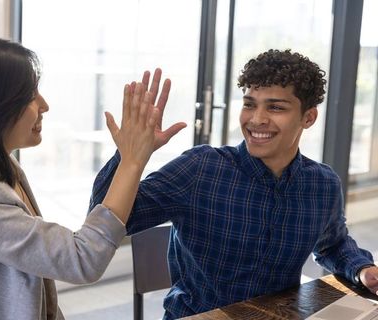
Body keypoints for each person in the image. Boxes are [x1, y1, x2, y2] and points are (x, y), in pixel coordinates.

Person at [90, 49, 378, 319]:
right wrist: (130, 156)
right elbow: (104, 222)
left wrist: (362, 268)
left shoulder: (323, 185)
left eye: (276, 107)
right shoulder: (201, 169)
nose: (257, 119)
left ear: (309, 117)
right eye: (249, 105)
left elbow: (334, 245)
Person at [0, 37, 184, 320]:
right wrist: (132, 161)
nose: (44, 105)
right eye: (31, 95)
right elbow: (83, 259)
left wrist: (130, 155)